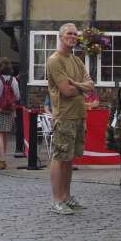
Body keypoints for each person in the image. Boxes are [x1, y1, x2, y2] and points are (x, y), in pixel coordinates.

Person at [46, 23, 94, 215]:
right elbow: (66, 91)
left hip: (78, 114)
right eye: (69, 34)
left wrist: (77, 84)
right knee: (60, 157)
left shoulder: (77, 60)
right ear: (60, 36)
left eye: (75, 34)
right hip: (64, 115)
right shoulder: (55, 60)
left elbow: (91, 86)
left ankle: (66, 197)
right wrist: (81, 87)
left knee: (69, 158)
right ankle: (57, 200)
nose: (73, 37)